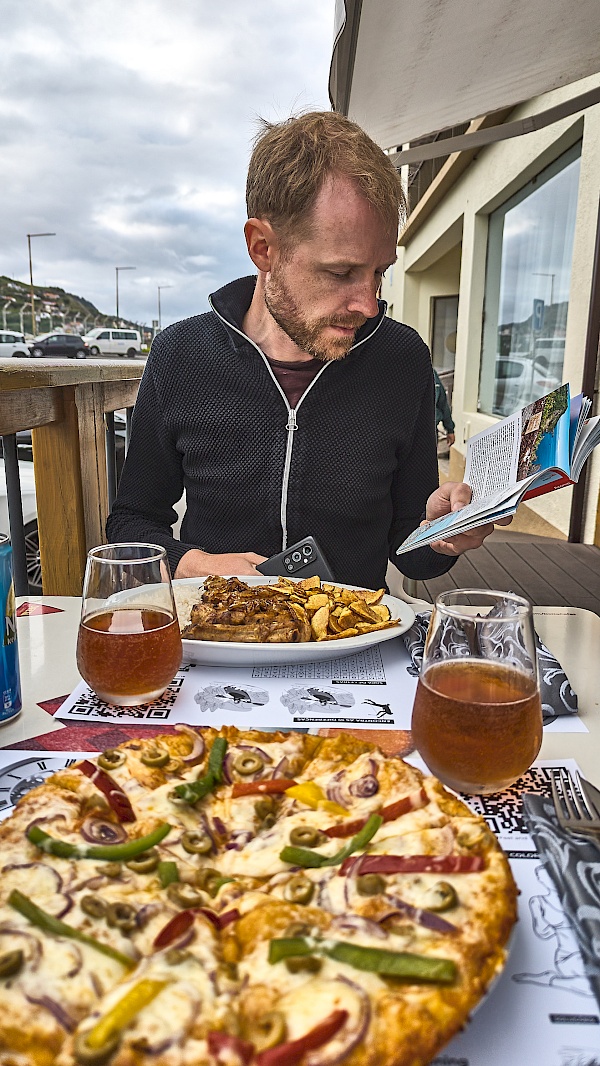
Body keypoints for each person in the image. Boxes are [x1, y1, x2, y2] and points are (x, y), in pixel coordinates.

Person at [107, 111, 504, 590]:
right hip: (221, 637)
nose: (369, 303)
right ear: (263, 248)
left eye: (379, 272)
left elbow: (413, 556)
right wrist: (195, 564)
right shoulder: (181, 355)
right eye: (340, 273)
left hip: (352, 645)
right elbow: (132, 523)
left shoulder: (402, 359)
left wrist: (442, 532)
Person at [433, 368, 455, 449]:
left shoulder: (432, 374)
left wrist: (450, 429)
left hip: (430, 432)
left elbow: (442, 404)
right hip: (404, 434)